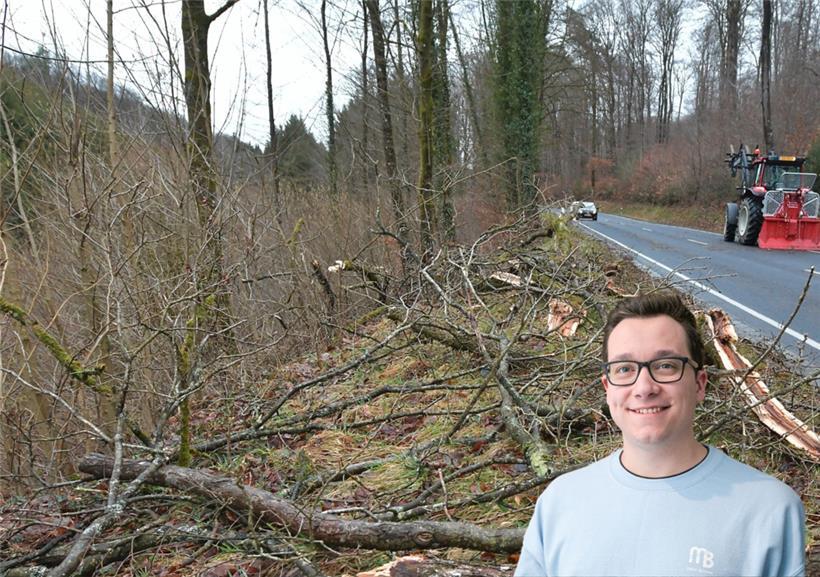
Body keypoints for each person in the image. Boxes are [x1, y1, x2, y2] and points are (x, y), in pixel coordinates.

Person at [514, 292, 805, 577]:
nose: (644, 388)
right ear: (607, 388)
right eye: (624, 368)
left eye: (666, 366)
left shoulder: (769, 510)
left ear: (700, 384)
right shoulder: (560, 502)